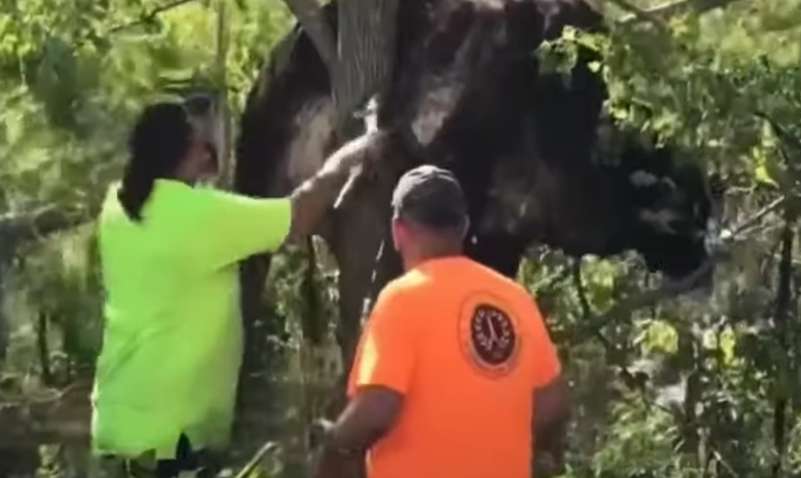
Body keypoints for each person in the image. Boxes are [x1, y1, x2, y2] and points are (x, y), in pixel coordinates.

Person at [91, 97, 370, 477]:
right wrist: (352, 154)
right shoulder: (197, 217)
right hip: (173, 438)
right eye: (203, 144)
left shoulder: (117, 205)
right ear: (188, 152)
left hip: (120, 418)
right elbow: (298, 215)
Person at [313, 165, 569, 478]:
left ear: (398, 230)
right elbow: (552, 405)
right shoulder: (516, 300)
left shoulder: (402, 298)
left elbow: (376, 410)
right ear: (462, 227)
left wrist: (333, 443)